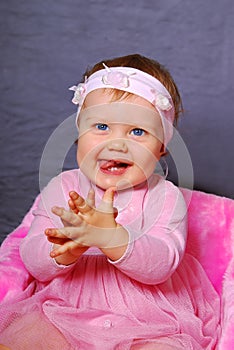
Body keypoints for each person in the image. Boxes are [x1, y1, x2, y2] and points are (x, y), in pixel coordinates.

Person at [0, 54, 220, 349]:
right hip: (65, 309)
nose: (117, 143)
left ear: (161, 149)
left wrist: (112, 238)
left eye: (138, 132)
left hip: (150, 318)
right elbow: (33, 260)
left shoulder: (164, 196)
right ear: (79, 133)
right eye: (101, 127)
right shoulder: (63, 188)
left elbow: (162, 264)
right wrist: (65, 248)